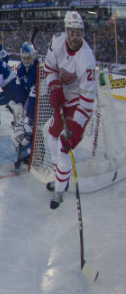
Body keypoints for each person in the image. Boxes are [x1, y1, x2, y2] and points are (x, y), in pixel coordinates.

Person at [42, 11, 97, 209]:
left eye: (79, 33)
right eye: (72, 33)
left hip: (77, 103)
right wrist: (54, 85)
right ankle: (60, 180)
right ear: (66, 31)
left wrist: (76, 127)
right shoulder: (56, 42)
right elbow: (49, 68)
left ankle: (59, 190)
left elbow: (88, 100)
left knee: (63, 146)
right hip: (61, 98)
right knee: (51, 140)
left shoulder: (87, 59)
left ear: (83, 33)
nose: (75, 37)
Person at [7, 42, 39, 167]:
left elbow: (34, 93)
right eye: (24, 57)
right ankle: (26, 152)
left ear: (33, 56)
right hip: (29, 102)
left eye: (28, 57)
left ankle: (36, 154)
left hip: (40, 104)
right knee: (21, 130)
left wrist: (26, 112)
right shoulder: (20, 68)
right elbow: (19, 89)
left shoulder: (38, 69)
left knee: (33, 129)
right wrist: (19, 104)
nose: (26, 60)